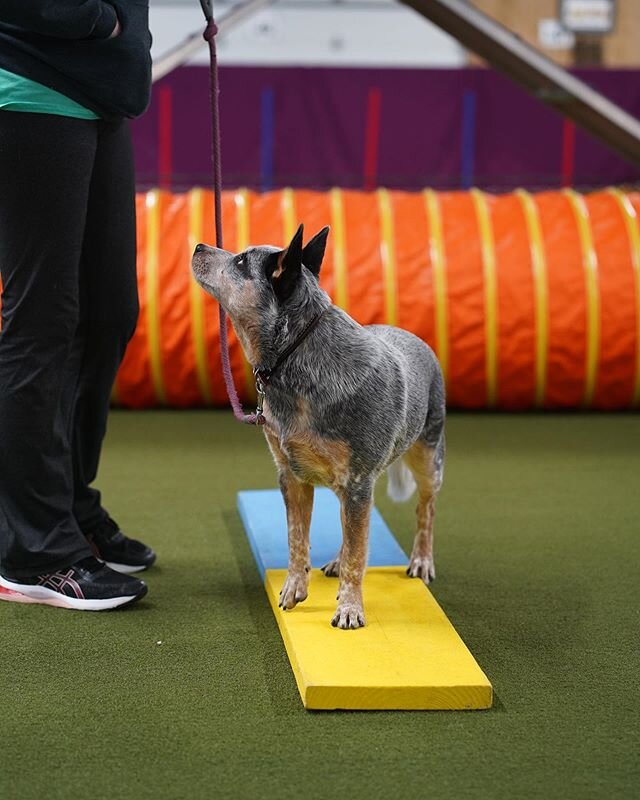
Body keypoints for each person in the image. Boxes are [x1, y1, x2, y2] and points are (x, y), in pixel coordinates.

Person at [0, 1, 156, 610]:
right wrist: (96, 19)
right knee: (42, 323)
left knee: (107, 315)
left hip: (101, 93)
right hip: (31, 87)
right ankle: (33, 553)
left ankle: (66, 505)